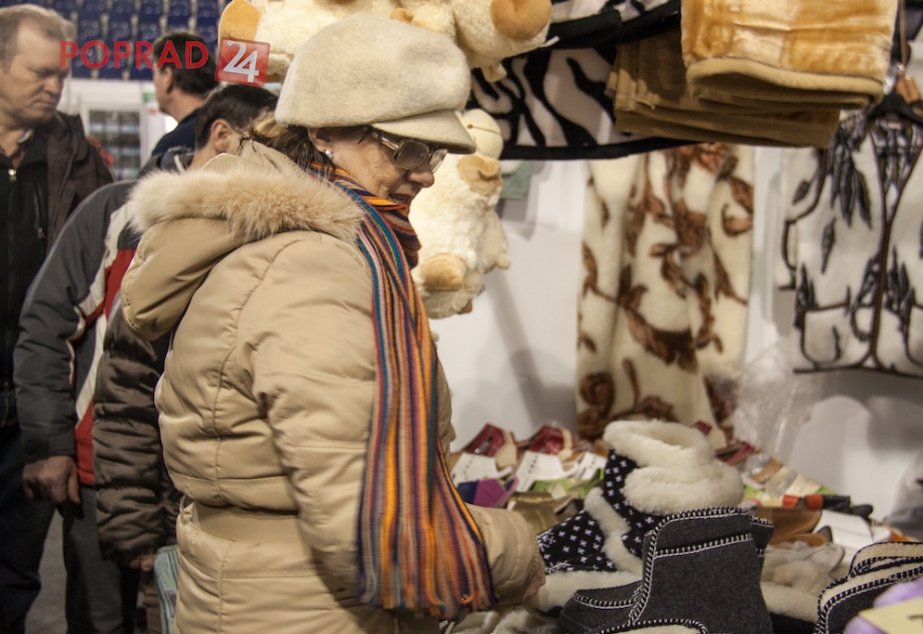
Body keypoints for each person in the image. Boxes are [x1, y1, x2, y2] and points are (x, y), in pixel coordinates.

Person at [119, 14, 544, 633]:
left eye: (434, 151)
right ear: (323, 133)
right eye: (407, 147)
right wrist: (518, 548)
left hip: (273, 594)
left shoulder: (314, 248)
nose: (427, 172)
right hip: (307, 606)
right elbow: (362, 519)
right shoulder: (312, 266)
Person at [92, 84, 278, 634]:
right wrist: (133, 524)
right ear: (224, 138)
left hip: (222, 527)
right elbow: (125, 396)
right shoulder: (175, 245)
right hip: (168, 518)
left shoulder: (268, 244)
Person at [0, 5, 113, 633]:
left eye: (60, 75)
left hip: (35, 404)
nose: (53, 86)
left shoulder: (81, 161)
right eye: (38, 73)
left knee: (16, 571)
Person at [148, 31, 217, 158]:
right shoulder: (228, 128)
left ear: (167, 76)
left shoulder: (172, 147)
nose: (154, 83)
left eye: (155, 73)